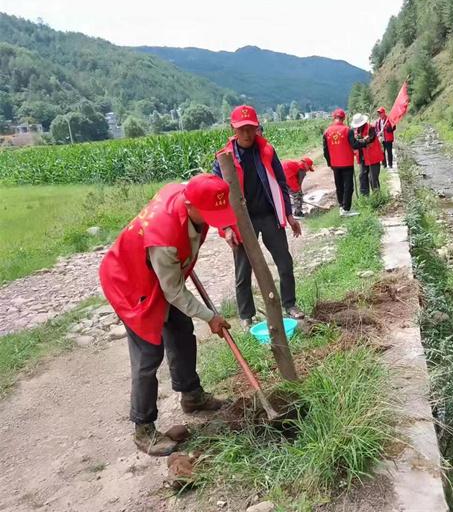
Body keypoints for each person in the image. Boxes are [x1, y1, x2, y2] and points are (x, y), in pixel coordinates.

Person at [98, 173, 237, 457]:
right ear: (190, 206)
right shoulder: (164, 235)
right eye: (210, 213)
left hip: (159, 274)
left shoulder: (188, 196)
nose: (214, 218)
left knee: (182, 331)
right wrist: (210, 316)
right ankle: (143, 429)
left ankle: (192, 396)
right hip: (130, 283)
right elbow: (174, 292)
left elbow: (172, 284)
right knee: (148, 354)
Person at [212, 105, 303, 329]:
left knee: (284, 262)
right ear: (233, 129)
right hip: (242, 222)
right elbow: (217, 198)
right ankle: (246, 315)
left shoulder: (267, 152)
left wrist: (289, 215)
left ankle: (290, 304)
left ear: (257, 128)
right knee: (243, 271)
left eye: (251, 128)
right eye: (242, 129)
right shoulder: (224, 159)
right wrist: (226, 228)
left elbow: (281, 184)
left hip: (269, 216)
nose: (247, 134)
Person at [323, 108, 359, 217]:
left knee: (339, 185)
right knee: (348, 186)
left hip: (335, 164)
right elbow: (354, 145)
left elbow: (325, 151)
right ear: (343, 118)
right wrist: (364, 142)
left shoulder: (326, 132)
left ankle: (341, 206)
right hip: (347, 163)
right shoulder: (348, 130)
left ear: (334, 117)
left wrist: (330, 163)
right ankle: (346, 209)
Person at [351, 113, 383, 196]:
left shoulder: (371, 128)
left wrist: (358, 142)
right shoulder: (356, 131)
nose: (358, 126)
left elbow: (369, 140)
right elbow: (356, 143)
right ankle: (365, 197)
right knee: (362, 176)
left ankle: (377, 196)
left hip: (372, 157)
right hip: (362, 158)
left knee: (373, 178)